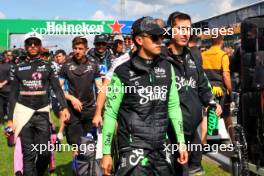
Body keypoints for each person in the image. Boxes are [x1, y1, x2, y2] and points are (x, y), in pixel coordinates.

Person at [101, 16, 188, 176]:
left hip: (161, 147)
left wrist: (181, 142)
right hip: (133, 149)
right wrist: (106, 153)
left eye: (161, 37)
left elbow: (173, 106)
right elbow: (110, 113)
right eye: (155, 37)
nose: (160, 41)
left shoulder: (168, 68)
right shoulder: (122, 72)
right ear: (139, 40)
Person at [166, 12, 222, 176]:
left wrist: (212, 103)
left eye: (188, 29)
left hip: (193, 130)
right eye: (180, 28)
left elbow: (203, 85)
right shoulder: (160, 58)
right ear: (170, 30)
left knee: (196, 171)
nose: (185, 33)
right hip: (169, 132)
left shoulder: (193, 56)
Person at [7, 32, 70, 176]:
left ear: (41, 46)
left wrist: (64, 107)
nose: (33, 46)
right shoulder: (17, 67)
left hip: (42, 112)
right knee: (28, 155)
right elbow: (12, 95)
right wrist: (10, 119)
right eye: (30, 43)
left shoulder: (49, 66)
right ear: (25, 46)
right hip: (23, 114)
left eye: (36, 43)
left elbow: (57, 88)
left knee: (45, 153)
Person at [59, 36, 102, 146]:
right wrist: (71, 98)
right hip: (72, 111)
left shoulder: (93, 64)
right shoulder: (66, 65)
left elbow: (100, 88)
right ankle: (76, 163)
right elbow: (58, 89)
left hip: (90, 110)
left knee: (89, 145)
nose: (77, 51)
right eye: (75, 48)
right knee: (75, 145)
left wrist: (100, 109)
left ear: (86, 49)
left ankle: (88, 163)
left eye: (80, 48)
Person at [201, 34, 234, 142]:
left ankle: (209, 141)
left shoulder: (203, 54)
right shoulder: (223, 55)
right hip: (220, 90)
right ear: (221, 40)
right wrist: (230, 90)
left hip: (207, 89)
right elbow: (226, 75)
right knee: (226, 114)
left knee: (211, 114)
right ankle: (232, 140)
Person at [0, 51, 11, 121]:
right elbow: (10, 77)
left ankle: (1, 121)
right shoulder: (9, 66)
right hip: (8, 89)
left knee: (0, 106)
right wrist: (3, 83)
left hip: (2, 89)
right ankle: (10, 120)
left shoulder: (8, 66)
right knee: (9, 105)